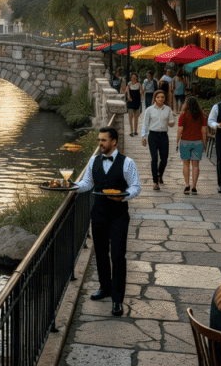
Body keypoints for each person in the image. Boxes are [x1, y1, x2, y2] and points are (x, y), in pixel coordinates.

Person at [74, 127, 142, 317]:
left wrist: (124, 196)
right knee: (101, 253)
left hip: (119, 215)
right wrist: (70, 186)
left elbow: (136, 186)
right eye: (99, 140)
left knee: (118, 256)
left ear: (114, 142)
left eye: (103, 140)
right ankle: (104, 287)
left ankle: (117, 300)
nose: (100, 143)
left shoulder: (127, 162)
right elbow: (87, 183)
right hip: (98, 213)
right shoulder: (93, 160)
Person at [141, 89, 176, 191]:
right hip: (153, 135)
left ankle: (160, 174)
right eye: (158, 97)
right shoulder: (149, 110)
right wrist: (143, 136)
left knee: (164, 159)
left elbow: (172, 124)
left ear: (165, 98)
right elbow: (145, 124)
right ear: (155, 98)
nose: (161, 99)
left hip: (163, 136)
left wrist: (169, 122)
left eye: (162, 97)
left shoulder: (168, 109)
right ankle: (155, 181)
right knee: (154, 158)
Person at [123, 72, 142, 137]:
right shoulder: (129, 84)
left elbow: (142, 93)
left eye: (134, 78)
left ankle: (135, 131)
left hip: (137, 101)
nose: (133, 79)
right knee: (130, 117)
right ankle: (131, 131)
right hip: (130, 101)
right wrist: (128, 96)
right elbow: (127, 92)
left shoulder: (139, 84)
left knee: (136, 117)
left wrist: (142, 92)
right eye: (132, 77)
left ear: (136, 78)